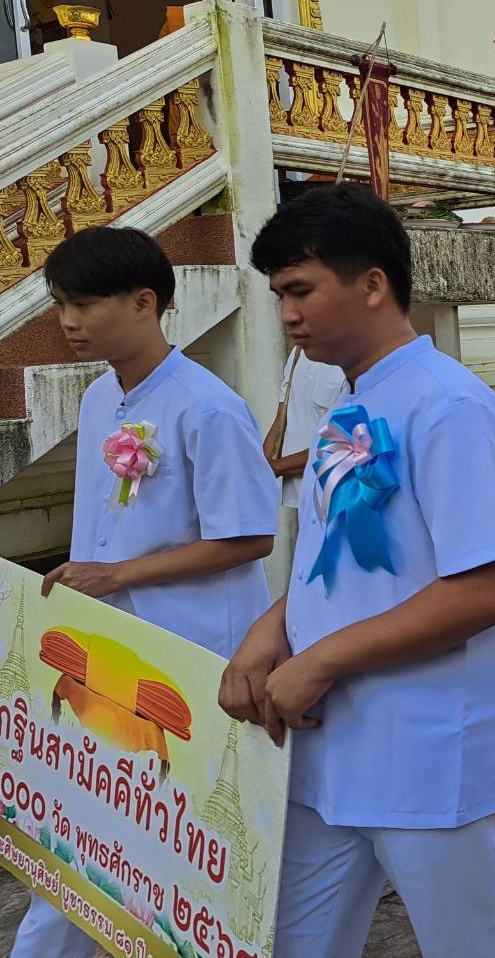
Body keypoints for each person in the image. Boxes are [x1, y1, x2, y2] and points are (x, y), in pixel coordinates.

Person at [219, 183, 495, 957]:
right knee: (291, 939)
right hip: (331, 742)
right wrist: (271, 632)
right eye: (277, 295)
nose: (287, 314)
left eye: (300, 290)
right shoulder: (347, 405)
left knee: (471, 946)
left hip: (432, 749)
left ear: (372, 284)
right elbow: (332, 556)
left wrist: (321, 656)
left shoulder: (449, 406)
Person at [15, 229, 278, 958]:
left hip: (190, 654)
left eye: (85, 304)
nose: (67, 321)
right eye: (60, 305)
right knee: (83, 829)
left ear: (144, 302)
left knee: (178, 844)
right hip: (106, 649)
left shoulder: (206, 406)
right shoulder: (102, 396)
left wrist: (120, 576)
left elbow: (252, 535)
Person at [262, 346, 346, 594]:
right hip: (303, 498)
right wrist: (260, 466)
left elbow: (343, 442)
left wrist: (276, 467)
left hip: (340, 497)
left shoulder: (350, 359)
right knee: (308, 583)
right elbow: (281, 419)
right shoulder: (298, 352)